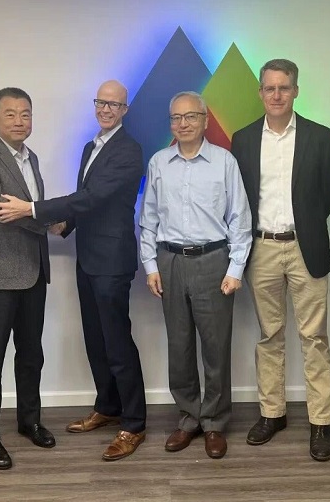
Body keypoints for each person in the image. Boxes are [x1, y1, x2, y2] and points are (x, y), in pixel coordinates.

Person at [0, 80, 147, 461]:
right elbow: (86, 205)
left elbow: (93, 196)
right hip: (86, 258)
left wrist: (32, 210)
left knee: (117, 342)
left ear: (125, 110)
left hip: (112, 261)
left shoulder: (129, 150)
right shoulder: (91, 147)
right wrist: (64, 225)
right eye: (101, 102)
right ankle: (108, 406)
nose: (106, 109)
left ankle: (134, 423)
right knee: (95, 339)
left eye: (115, 104)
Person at [231, 59, 330, 461]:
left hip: (305, 247)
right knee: (269, 335)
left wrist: (305, 225)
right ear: (260, 92)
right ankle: (272, 414)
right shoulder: (243, 139)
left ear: (296, 91)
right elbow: (239, 195)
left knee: (314, 337)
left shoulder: (320, 136)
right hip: (260, 248)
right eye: (269, 88)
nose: (276, 95)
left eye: (284, 87)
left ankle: (321, 422)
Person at [139, 91, 251, 459]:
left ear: (205, 120)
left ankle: (214, 422)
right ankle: (188, 418)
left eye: (190, 116)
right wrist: (151, 265)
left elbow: (240, 218)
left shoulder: (224, 161)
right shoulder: (159, 162)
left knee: (216, 347)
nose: (183, 123)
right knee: (179, 344)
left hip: (213, 261)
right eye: (176, 118)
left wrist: (235, 268)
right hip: (169, 261)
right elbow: (148, 218)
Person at [0, 87, 58, 470]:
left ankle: (29, 420)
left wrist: (38, 212)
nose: (19, 121)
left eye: (26, 114)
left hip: (33, 270)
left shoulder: (31, 157)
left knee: (31, 353)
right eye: (10, 114)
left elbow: (27, 208)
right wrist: (49, 218)